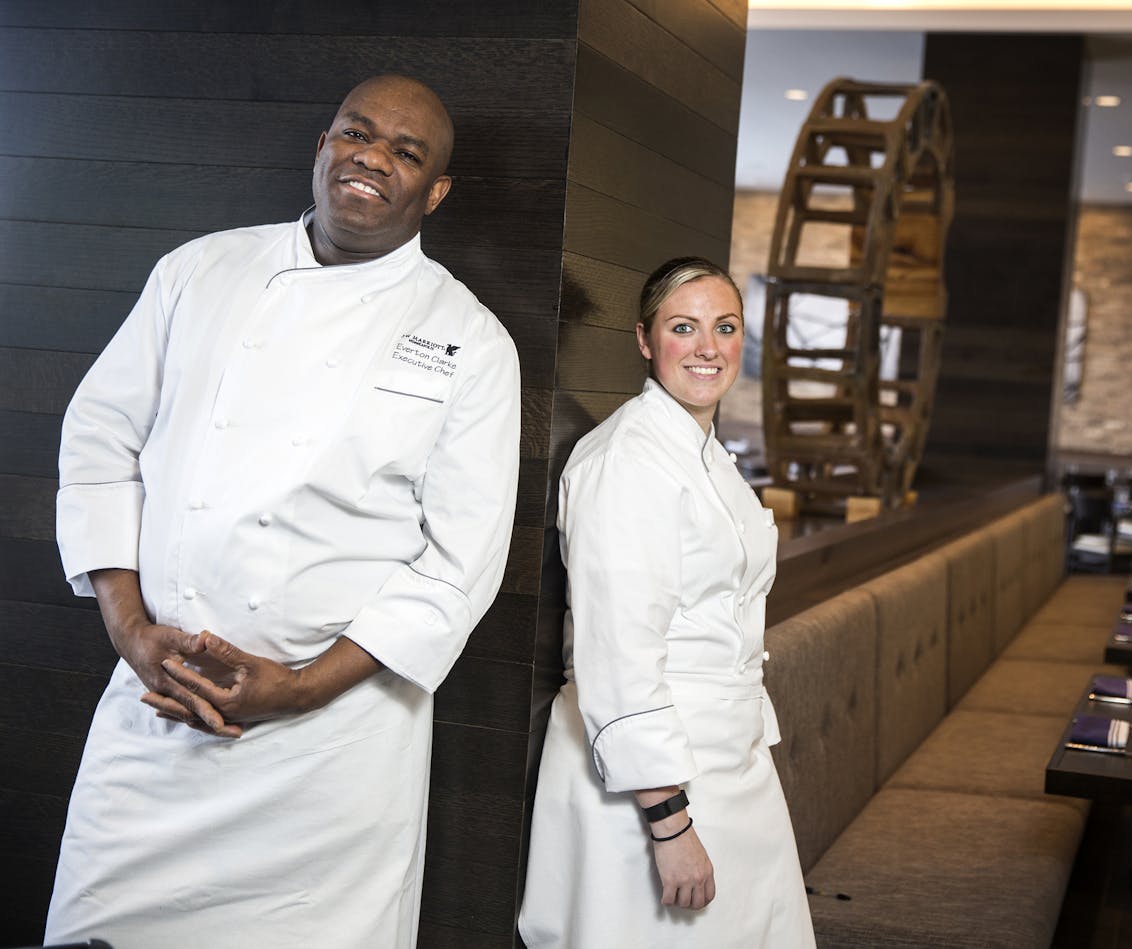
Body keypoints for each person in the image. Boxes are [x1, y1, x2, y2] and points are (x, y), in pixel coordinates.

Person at [44, 75, 520, 949]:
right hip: (158, 716)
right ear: (322, 147)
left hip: (330, 755)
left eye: (405, 152)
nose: (372, 157)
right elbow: (99, 440)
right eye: (355, 133)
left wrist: (298, 689)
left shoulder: (471, 341)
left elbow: (458, 565)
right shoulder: (201, 271)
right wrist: (128, 628)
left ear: (436, 192)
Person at [518, 258, 815, 947]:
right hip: (651, 780)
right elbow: (617, 654)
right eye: (684, 328)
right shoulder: (626, 460)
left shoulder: (708, 455)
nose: (708, 347)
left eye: (725, 327)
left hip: (730, 761)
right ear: (647, 341)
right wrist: (670, 823)